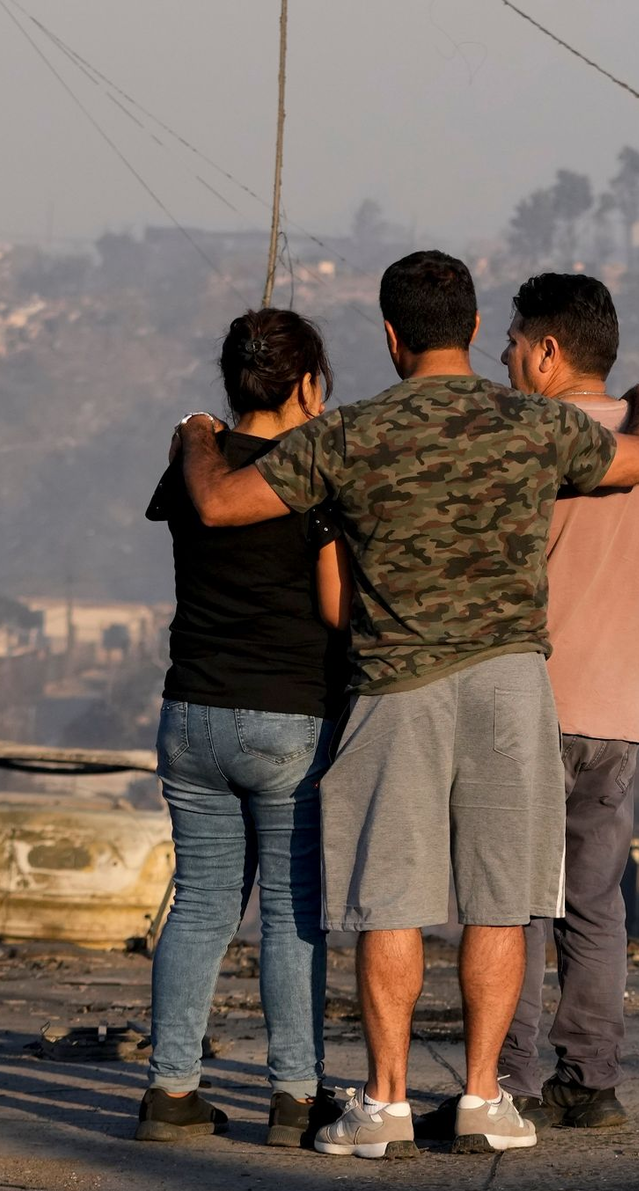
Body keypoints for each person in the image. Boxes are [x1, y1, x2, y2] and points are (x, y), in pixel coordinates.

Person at [173, 250, 639, 1159]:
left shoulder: (351, 434)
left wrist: (199, 429)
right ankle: (485, 1097)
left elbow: (218, 505)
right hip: (513, 685)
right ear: (479, 332)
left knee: (387, 898)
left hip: (395, 685)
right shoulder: (533, 425)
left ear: (393, 337)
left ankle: (387, 1102)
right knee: (500, 899)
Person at [136, 308, 350, 1148]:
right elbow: (336, 607)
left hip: (191, 711)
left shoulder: (199, 465)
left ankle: (171, 1089)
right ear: (305, 383)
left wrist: (198, 427)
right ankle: (296, 1096)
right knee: (292, 909)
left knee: (200, 906)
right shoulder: (314, 478)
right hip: (287, 718)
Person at [496, 273, 639, 1129]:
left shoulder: (531, 438)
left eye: (512, 340)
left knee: (514, 899)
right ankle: (592, 1078)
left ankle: (508, 1078)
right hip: (619, 711)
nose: (502, 355)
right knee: (596, 903)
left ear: (547, 350)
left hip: (534, 701)